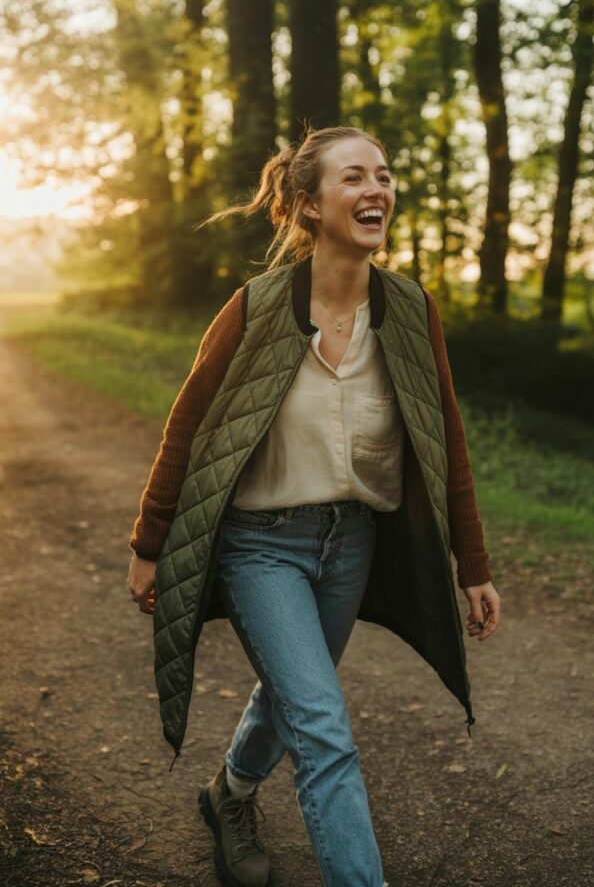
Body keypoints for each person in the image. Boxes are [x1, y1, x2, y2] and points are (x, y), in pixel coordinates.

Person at [127, 125, 500, 887]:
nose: (378, 191)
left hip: (350, 542)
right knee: (324, 729)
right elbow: (188, 426)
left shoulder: (408, 309)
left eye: (386, 177)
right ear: (308, 205)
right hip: (259, 545)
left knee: (296, 695)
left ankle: (228, 793)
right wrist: (149, 542)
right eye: (355, 178)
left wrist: (475, 566)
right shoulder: (257, 308)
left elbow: (445, 442)